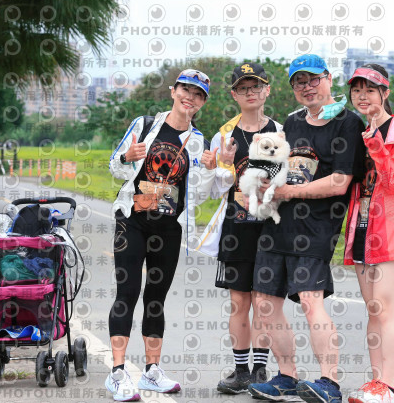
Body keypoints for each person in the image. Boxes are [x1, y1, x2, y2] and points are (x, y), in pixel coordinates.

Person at [248, 54, 365, 403]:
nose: (307, 87)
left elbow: (340, 181)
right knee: (265, 302)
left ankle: (330, 382)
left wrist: (290, 192)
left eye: (313, 79)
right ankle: (287, 376)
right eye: (299, 82)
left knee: (310, 302)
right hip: (278, 223)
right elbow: (282, 166)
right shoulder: (293, 121)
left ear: (328, 78)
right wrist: (265, 183)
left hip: (316, 228)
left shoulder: (348, 123)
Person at [105, 69, 216, 402]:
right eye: (186, 90)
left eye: (198, 94)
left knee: (156, 298)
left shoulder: (199, 142)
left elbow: (200, 194)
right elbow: (115, 167)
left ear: (203, 102)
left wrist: (210, 170)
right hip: (132, 221)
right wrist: (127, 157)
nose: (190, 98)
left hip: (168, 228)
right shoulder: (144, 125)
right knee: (127, 292)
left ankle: (151, 372)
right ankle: (117, 373)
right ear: (173, 91)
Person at [197, 62, 282, 394]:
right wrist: (222, 166)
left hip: (270, 225)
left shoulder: (280, 130)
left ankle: (260, 371)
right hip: (237, 225)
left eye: (256, 86)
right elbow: (214, 190)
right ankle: (241, 370)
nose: (250, 93)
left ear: (267, 90)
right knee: (239, 301)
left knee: (264, 300)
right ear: (234, 94)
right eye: (243, 88)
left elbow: (290, 178)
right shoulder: (224, 135)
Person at [343, 64, 394, 403]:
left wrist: (375, 141)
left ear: (385, 93)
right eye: (357, 90)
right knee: (373, 309)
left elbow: (392, 181)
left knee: (385, 308)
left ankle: (388, 386)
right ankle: (375, 382)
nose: (362, 96)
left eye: (370, 90)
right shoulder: (361, 131)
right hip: (364, 228)